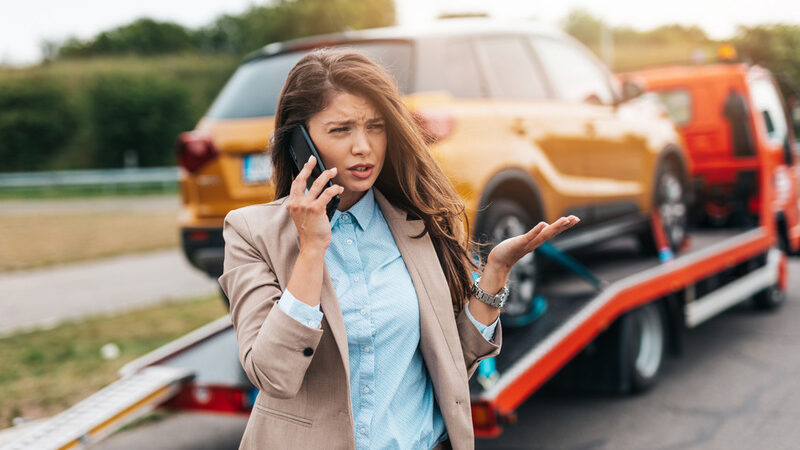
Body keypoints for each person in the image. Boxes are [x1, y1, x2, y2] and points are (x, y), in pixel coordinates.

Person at [218, 48, 578, 450]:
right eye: (340, 130)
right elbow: (273, 376)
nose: (363, 147)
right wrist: (311, 250)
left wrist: (494, 273)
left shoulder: (418, 223)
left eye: (375, 126)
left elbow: (451, 362)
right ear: (300, 141)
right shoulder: (251, 233)